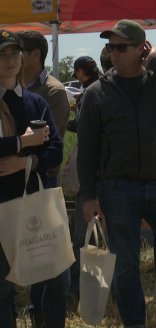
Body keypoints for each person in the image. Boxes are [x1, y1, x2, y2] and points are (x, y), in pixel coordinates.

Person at [0, 29, 65, 328]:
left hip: (37, 197)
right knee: (2, 283)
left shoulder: (36, 102)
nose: (10, 60)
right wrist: (22, 142)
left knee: (57, 276)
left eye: (14, 53)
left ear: (22, 58)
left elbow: (56, 151)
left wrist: (25, 162)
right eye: (2, 55)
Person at [77, 19, 156, 328]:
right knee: (125, 267)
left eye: (122, 47)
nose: (113, 53)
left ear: (141, 49)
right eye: (110, 47)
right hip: (118, 188)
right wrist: (87, 196)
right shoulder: (96, 93)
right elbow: (87, 149)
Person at [15, 29, 71, 328]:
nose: (13, 57)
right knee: (29, 249)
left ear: (35, 55)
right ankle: (34, 308)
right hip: (13, 181)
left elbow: (51, 142)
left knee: (48, 254)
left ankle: (44, 312)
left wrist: (18, 146)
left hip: (43, 181)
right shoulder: (10, 87)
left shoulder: (53, 91)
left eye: (18, 51)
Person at [66, 56, 100, 299]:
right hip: (107, 177)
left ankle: (79, 287)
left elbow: (82, 129)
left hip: (92, 179)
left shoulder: (90, 94)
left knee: (82, 235)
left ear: (80, 72)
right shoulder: (102, 90)